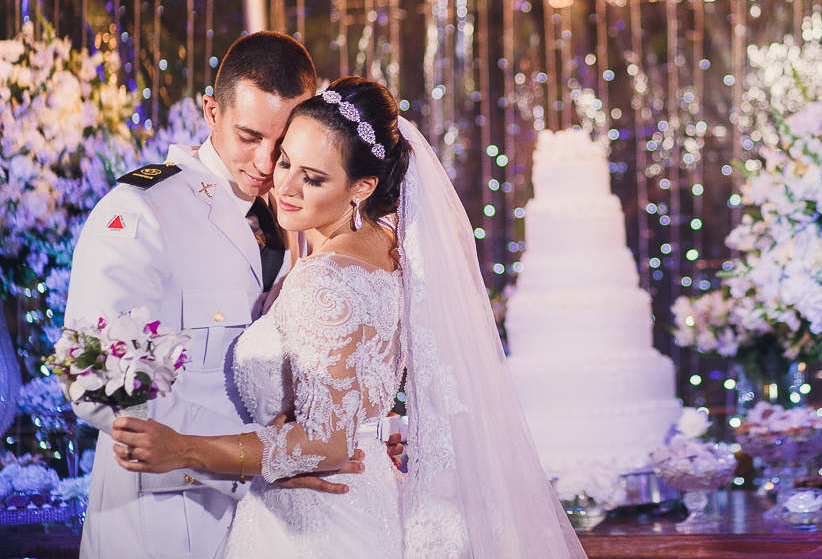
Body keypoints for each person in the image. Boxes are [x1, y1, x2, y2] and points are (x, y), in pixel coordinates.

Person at [112, 77, 587, 558]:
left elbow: (327, 443)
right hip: (368, 495)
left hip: (314, 525)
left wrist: (183, 449)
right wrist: (377, 425)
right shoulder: (394, 249)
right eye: (285, 161)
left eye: (313, 178)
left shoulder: (326, 279)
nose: (285, 186)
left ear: (362, 186)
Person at [64, 33, 362, 559]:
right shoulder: (142, 210)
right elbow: (97, 379)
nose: (267, 163)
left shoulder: (296, 209)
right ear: (211, 111)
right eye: (249, 136)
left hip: (271, 520)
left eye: (283, 143)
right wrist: (254, 455)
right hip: (166, 518)